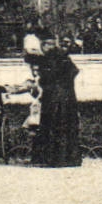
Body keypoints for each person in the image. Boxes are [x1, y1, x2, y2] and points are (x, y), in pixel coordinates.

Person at [32, 32, 80, 167]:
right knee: (68, 125)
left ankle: (55, 159)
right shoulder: (63, 56)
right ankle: (71, 158)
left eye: (43, 45)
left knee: (53, 125)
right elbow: (74, 72)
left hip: (53, 96)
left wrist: (46, 82)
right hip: (68, 96)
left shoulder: (48, 58)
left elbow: (45, 77)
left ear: (47, 45)